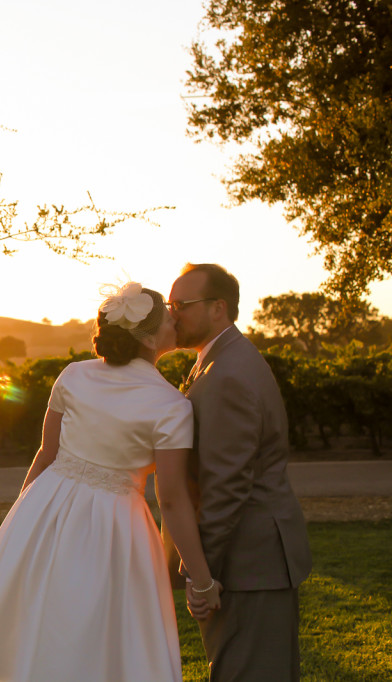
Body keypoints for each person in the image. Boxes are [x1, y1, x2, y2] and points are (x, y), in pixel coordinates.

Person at [0, 282, 220, 682]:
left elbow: (46, 455)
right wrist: (202, 578)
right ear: (147, 337)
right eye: (167, 318)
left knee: (39, 624)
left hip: (46, 508)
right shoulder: (171, 406)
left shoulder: (73, 375)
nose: (175, 320)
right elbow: (173, 500)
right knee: (96, 637)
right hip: (113, 525)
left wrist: (17, 523)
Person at [167, 264, 312, 682]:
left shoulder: (228, 373)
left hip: (251, 562)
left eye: (181, 305)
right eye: (169, 304)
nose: (172, 314)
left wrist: (201, 575)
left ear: (218, 308)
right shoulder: (218, 361)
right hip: (252, 558)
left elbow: (227, 485)